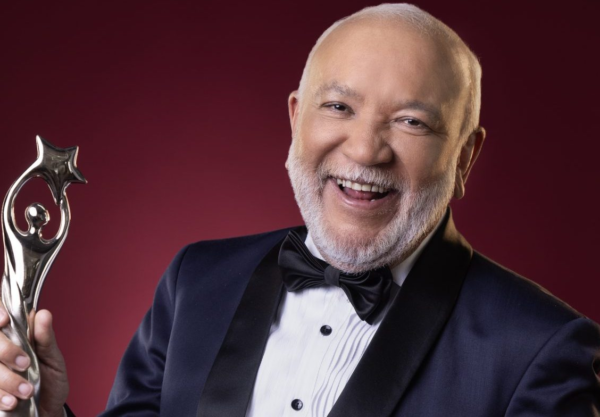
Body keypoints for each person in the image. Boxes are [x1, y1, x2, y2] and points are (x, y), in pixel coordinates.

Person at [0, 3, 599, 416]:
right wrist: (45, 413)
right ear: (295, 119)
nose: (364, 150)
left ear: (465, 157)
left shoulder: (541, 348)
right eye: (338, 107)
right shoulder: (196, 280)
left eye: (411, 121)